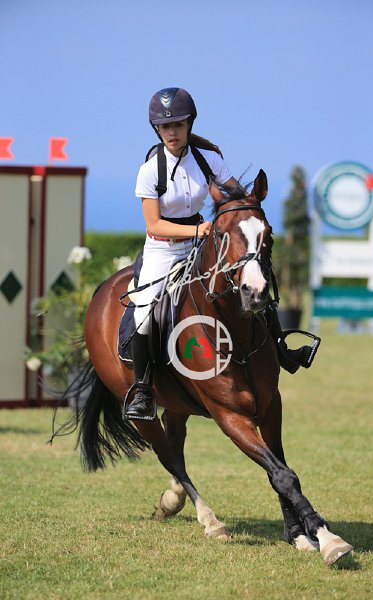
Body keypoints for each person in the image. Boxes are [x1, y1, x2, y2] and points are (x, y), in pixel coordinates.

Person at [125, 87, 314, 421]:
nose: (172, 132)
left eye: (178, 125)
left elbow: (234, 195)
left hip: (204, 244)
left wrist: (249, 210)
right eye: (165, 126)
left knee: (250, 281)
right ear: (157, 129)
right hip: (163, 249)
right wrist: (197, 231)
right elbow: (154, 223)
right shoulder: (150, 169)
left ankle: (281, 350)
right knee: (145, 311)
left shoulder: (208, 159)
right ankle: (142, 389)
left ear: (189, 124)